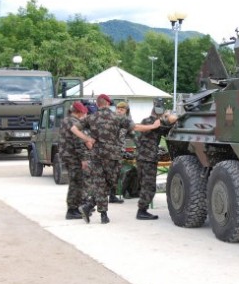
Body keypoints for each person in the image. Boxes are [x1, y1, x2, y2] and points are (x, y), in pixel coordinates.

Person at [71, 94, 161, 224]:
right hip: (112, 157)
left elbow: (74, 129)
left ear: (97, 104)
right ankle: (100, 213)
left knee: (100, 184)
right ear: (108, 104)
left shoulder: (91, 117)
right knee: (108, 184)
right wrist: (153, 127)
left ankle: (93, 208)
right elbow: (135, 127)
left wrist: (87, 139)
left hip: (96, 155)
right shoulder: (117, 117)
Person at [135, 99, 178, 220]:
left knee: (144, 184)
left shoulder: (146, 121)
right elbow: (173, 119)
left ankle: (142, 209)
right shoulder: (158, 123)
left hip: (140, 157)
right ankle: (141, 211)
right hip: (148, 159)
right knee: (149, 186)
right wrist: (168, 116)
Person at [59, 101, 90, 220]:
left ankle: (74, 208)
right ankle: (72, 210)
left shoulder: (65, 120)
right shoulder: (74, 122)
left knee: (74, 182)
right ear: (79, 112)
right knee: (76, 183)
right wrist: (83, 158)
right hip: (74, 156)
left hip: (67, 155)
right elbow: (78, 141)